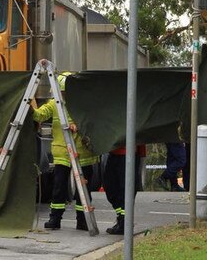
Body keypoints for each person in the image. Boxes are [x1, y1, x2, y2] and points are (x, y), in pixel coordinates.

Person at [33, 72, 99, 231]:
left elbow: (94, 123)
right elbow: (39, 115)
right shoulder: (53, 104)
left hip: (83, 154)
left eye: (65, 92)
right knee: (59, 188)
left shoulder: (85, 105)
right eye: (61, 92)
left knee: (83, 190)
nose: (63, 95)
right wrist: (29, 104)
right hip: (63, 153)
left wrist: (79, 126)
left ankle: (83, 221)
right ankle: (55, 219)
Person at [104, 144, 146, 235]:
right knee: (110, 187)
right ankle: (122, 220)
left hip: (129, 153)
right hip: (114, 151)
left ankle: (124, 224)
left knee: (126, 190)